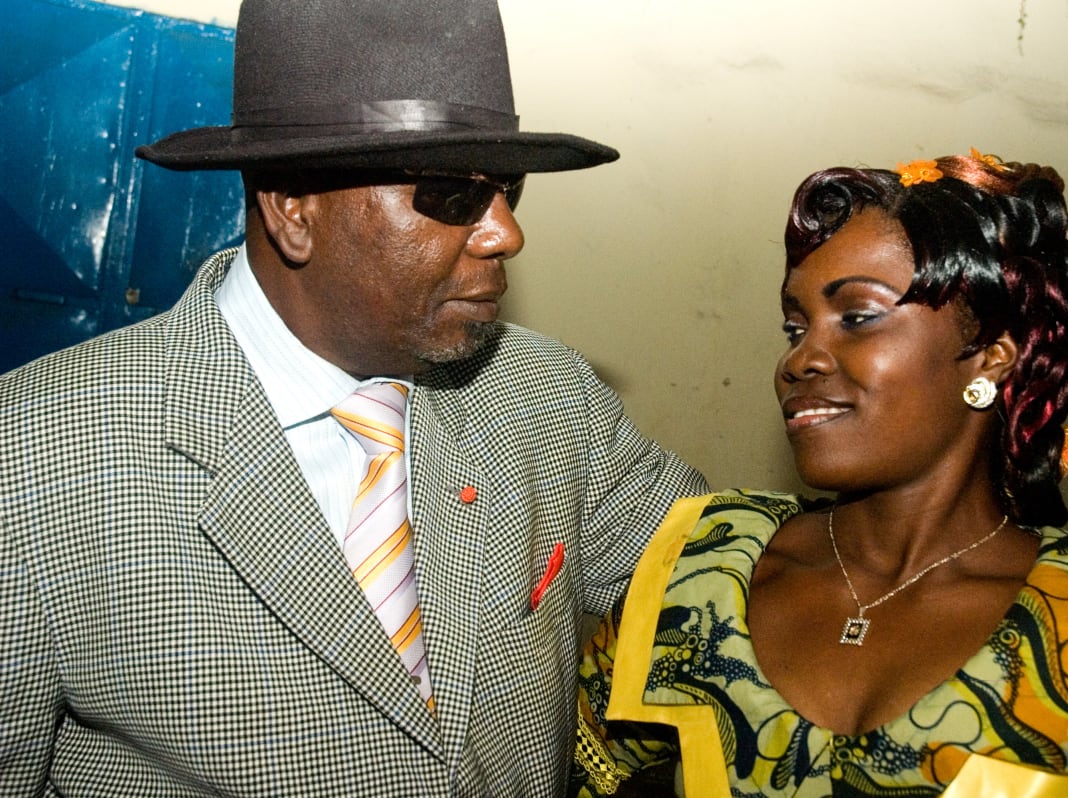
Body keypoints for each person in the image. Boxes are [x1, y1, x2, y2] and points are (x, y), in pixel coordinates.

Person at [0, 0, 707, 794]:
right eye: (450, 194)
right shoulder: (32, 463)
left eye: (506, 188)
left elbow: (749, 581)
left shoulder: (550, 398)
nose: (505, 233)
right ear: (292, 211)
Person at [571, 152, 1068, 796]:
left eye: (859, 316)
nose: (802, 359)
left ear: (990, 357)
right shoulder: (704, 565)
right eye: (795, 326)